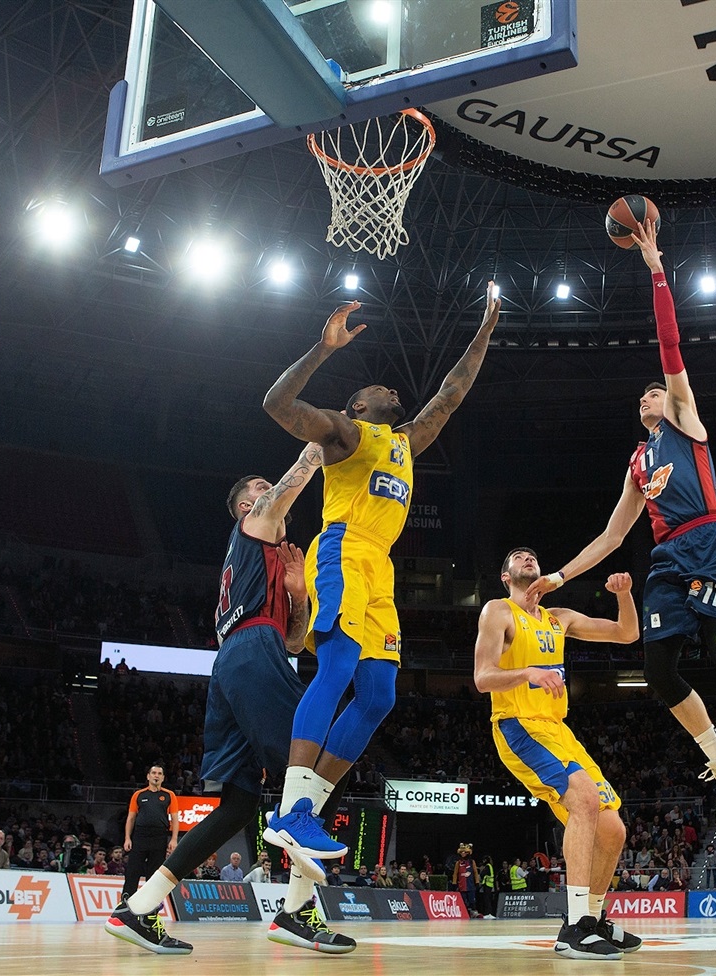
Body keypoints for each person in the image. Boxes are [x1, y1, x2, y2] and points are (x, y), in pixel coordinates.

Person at [522, 221, 716, 826]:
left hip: (710, 541)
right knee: (656, 667)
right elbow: (610, 537)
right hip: (665, 558)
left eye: (653, 394)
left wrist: (657, 269)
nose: (646, 398)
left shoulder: (686, 423)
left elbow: (670, 348)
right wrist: (555, 576)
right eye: (642, 399)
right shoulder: (637, 461)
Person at [260, 285, 501, 878]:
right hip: (342, 549)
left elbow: (451, 393)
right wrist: (323, 349)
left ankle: (306, 813)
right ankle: (290, 808)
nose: (390, 386)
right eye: (376, 388)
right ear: (358, 406)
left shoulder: (406, 444)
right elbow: (276, 402)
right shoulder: (345, 434)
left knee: (378, 695)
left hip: (381, 567)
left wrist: (488, 326)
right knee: (337, 669)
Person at [109, 444, 355, 957]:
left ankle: (139, 906)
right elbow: (284, 493)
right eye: (260, 492)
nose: (271, 496)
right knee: (310, 768)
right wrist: (316, 447)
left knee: (239, 807)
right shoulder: (251, 529)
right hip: (248, 653)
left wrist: (299, 595)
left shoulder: (266, 562)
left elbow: (293, 641)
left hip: (237, 663)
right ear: (247, 508)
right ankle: (295, 913)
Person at [473, 549, 643, 959]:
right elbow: (482, 678)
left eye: (532, 555)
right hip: (518, 724)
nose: (527, 558)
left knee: (614, 831)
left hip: (558, 730)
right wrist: (528, 673)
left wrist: (624, 594)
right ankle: (575, 926)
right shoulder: (498, 611)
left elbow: (627, 633)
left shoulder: (558, 617)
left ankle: (594, 919)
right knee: (583, 799)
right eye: (517, 557)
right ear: (505, 575)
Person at [121, 765, 181, 900]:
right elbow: (131, 818)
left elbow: (175, 819)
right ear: (148, 776)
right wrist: (127, 838)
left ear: (163, 777)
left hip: (159, 836)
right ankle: (125, 901)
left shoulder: (169, 795)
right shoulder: (139, 794)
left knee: (154, 873)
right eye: (154, 773)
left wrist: (173, 839)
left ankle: (151, 904)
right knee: (133, 870)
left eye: (160, 773)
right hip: (140, 835)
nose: (156, 775)